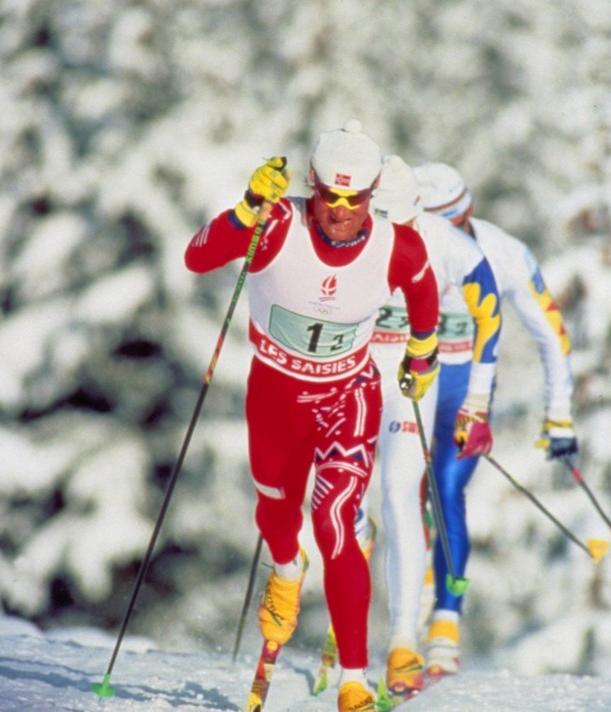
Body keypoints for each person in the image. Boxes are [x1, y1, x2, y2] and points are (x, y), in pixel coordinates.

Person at [184, 121, 441, 712]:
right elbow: (197, 259)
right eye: (331, 195)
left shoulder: (395, 245)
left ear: (374, 194)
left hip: (346, 398)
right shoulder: (276, 224)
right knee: (276, 512)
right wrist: (245, 210)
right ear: (312, 185)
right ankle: (284, 566)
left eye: (356, 198)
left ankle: (354, 680)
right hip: (274, 401)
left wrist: (422, 353)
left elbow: (423, 293)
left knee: (334, 519)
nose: (342, 210)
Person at [412, 161, 578, 680]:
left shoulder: (504, 252)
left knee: (445, 489)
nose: (449, 239)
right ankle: (407, 601)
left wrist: (559, 417)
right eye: (436, 226)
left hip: (467, 391)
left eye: (456, 225)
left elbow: (551, 334)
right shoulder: (400, 243)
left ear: (469, 213)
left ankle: (445, 623)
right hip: (409, 385)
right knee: (399, 491)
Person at [369, 155, 502, 700]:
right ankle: (350, 626)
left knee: (423, 491)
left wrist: (477, 402)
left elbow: (498, 323)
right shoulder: (357, 229)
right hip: (363, 370)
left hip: (427, 379)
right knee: (346, 501)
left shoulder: (463, 249)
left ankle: (425, 631)